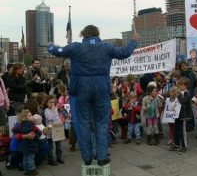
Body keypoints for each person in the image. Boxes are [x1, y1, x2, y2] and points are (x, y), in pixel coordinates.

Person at [48, 25, 139, 166]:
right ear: (97, 34)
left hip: (80, 90)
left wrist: (50, 45)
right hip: (101, 89)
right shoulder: (106, 47)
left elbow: (57, 51)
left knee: (82, 123)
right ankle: (102, 157)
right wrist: (133, 41)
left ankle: (87, 157)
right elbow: (124, 53)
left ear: (84, 35)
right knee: (102, 123)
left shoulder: (76, 47)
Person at [12, 109, 42, 176]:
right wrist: (34, 136)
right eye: (30, 116)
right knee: (31, 158)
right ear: (25, 118)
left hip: (23, 146)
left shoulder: (20, 125)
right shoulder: (32, 126)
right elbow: (39, 132)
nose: (32, 117)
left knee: (25, 158)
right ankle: (32, 170)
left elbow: (14, 131)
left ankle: (26, 170)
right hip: (31, 145)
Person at [169, 78, 193, 152]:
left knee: (182, 131)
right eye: (179, 85)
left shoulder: (187, 93)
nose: (180, 87)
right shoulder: (179, 92)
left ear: (186, 86)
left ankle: (184, 146)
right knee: (176, 130)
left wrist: (178, 94)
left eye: (181, 85)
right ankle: (176, 144)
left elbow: (183, 101)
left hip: (183, 116)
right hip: (177, 115)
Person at [44, 95, 64, 166]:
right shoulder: (46, 110)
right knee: (51, 147)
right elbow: (49, 118)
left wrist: (60, 123)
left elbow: (57, 117)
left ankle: (59, 157)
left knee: (59, 145)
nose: (52, 104)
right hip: (50, 130)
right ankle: (51, 159)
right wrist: (52, 110)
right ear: (47, 103)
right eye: (50, 102)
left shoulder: (55, 108)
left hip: (57, 129)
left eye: (53, 102)